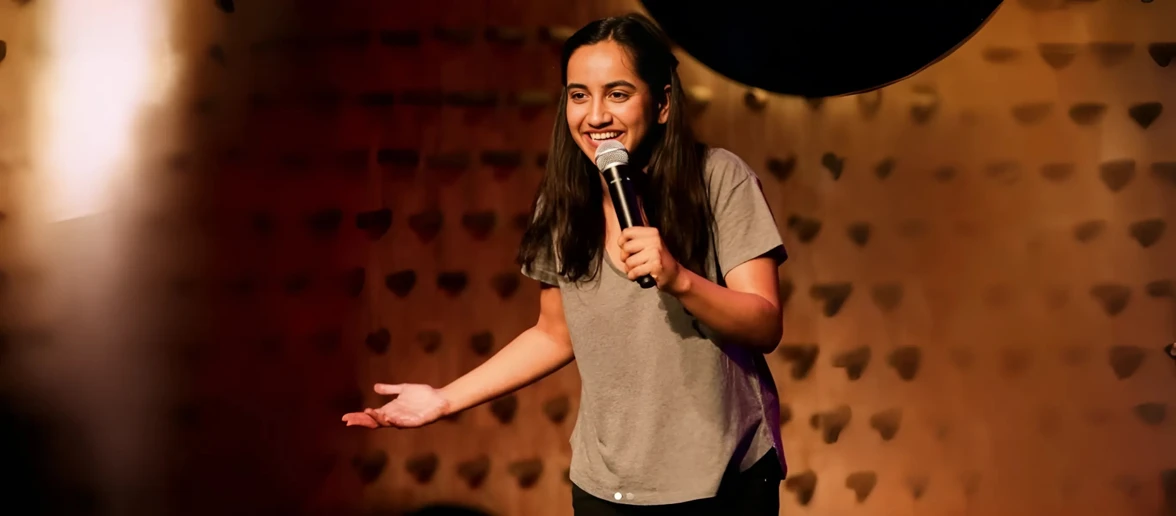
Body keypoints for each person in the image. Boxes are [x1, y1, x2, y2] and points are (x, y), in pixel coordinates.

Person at [344, 13, 788, 515]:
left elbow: (764, 323)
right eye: (579, 95)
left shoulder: (719, 178)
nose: (595, 116)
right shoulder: (561, 203)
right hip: (608, 485)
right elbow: (554, 334)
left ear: (662, 103)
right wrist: (444, 399)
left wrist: (680, 280)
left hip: (721, 477)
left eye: (617, 94)